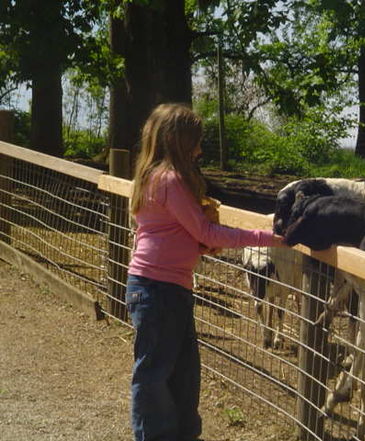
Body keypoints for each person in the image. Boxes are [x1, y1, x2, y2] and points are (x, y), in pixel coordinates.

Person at [125, 103, 285, 441]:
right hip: (159, 290)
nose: (199, 150)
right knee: (155, 376)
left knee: (183, 375)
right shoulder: (169, 179)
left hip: (166, 288)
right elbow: (207, 233)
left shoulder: (153, 176)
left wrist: (197, 246)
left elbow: (168, 232)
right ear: (178, 141)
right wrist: (272, 237)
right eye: (195, 142)